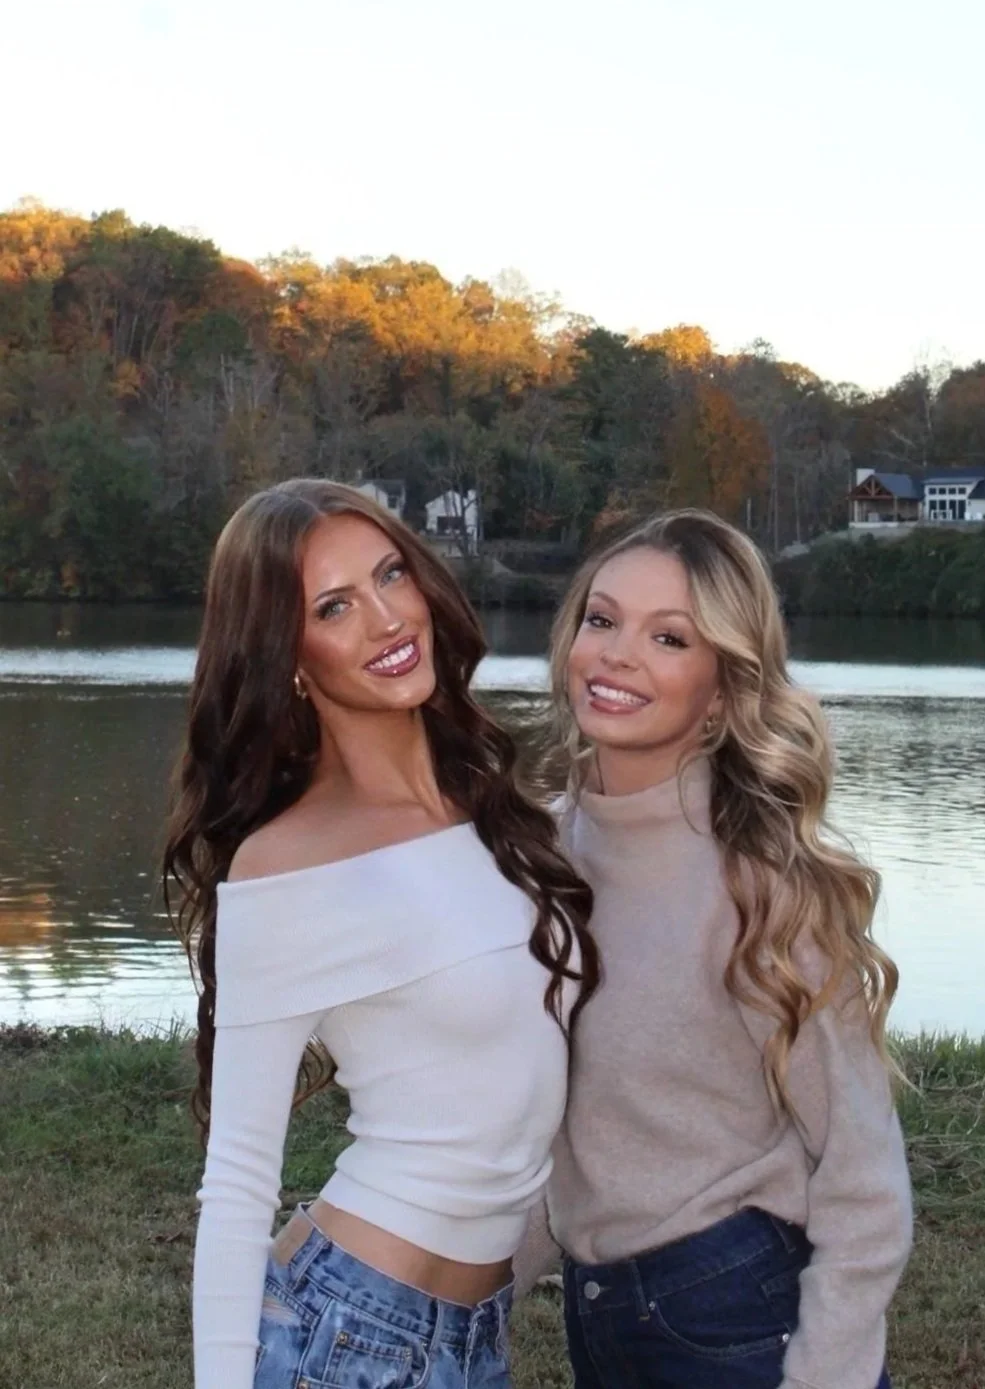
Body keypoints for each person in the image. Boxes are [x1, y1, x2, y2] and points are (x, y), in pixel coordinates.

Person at [163, 479, 599, 1389]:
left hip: (479, 1325)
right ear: (289, 654)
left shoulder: (494, 808)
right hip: (348, 1329)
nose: (386, 618)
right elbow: (239, 1180)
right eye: (334, 606)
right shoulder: (286, 864)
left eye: (390, 574)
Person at [514, 507, 912, 1389]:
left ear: (723, 690)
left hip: (737, 1320)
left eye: (668, 638)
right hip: (600, 1316)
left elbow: (865, 1181)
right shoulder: (539, 855)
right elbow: (568, 1129)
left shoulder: (761, 886)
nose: (614, 654)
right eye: (601, 619)